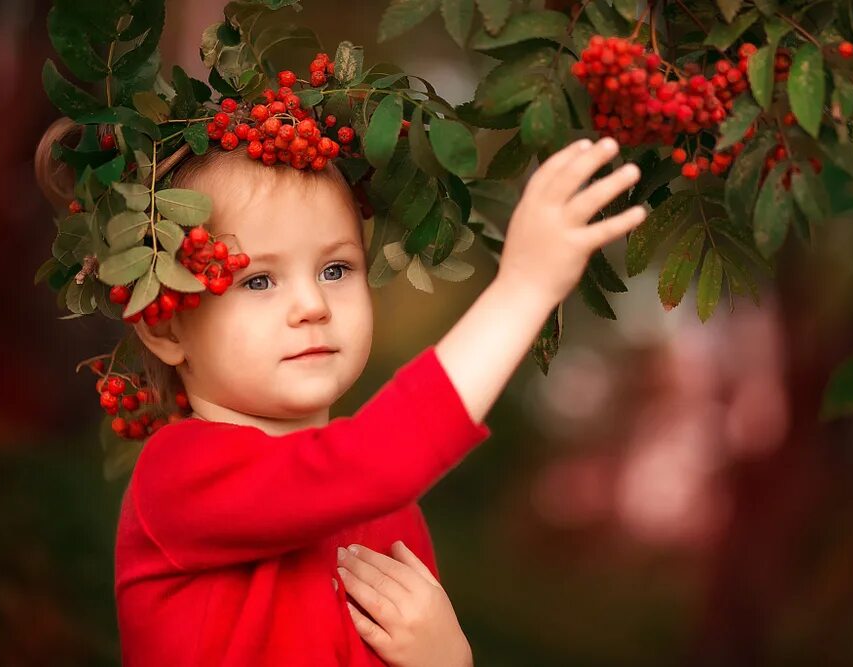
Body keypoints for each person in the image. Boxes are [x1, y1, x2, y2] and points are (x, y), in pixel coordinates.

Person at [109, 135, 645, 666]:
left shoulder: (391, 513)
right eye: (258, 280)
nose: (312, 305)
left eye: (335, 270)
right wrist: (524, 288)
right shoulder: (179, 475)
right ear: (167, 328)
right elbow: (371, 463)